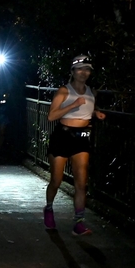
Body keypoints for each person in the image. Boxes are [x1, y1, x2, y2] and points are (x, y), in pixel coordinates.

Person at [43, 54, 106, 235]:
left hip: (82, 138)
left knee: (81, 182)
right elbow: (51, 116)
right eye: (80, 69)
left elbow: (87, 110)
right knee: (56, 180)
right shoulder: (64, 91)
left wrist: (96, 113)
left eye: (87, 69)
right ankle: (48, 208)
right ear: (72, 71)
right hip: (63, 136)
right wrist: (73, 105)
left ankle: (78, 223)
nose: (83, 72)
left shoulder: (91, 91)